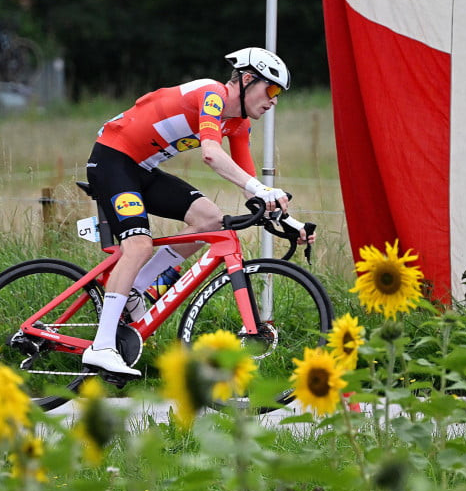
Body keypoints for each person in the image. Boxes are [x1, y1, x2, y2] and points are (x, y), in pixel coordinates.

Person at [81, 47, 310, 377]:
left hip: (141, 169)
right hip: (112, 159)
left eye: (278, 95)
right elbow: (211, 155)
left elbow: (250, 186)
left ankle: (138, 286)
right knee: (139, 245)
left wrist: (289, 221)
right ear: (247, 80)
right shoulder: (212, 94)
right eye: (271, 90)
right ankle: (101, 347)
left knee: (210, 220)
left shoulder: (239, 124)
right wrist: (263, 191)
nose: (274, 100)